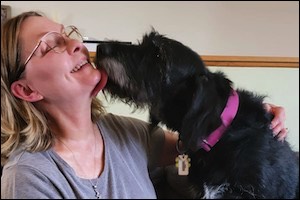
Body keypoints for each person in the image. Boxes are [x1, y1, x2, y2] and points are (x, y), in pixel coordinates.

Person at [1, 11, 288, 199]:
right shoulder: (29, 177)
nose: (76, 44)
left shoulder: (124, 133)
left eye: (67, 34)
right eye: (50, 45)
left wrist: (253, 120)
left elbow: (197, 144)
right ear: (26, 89)